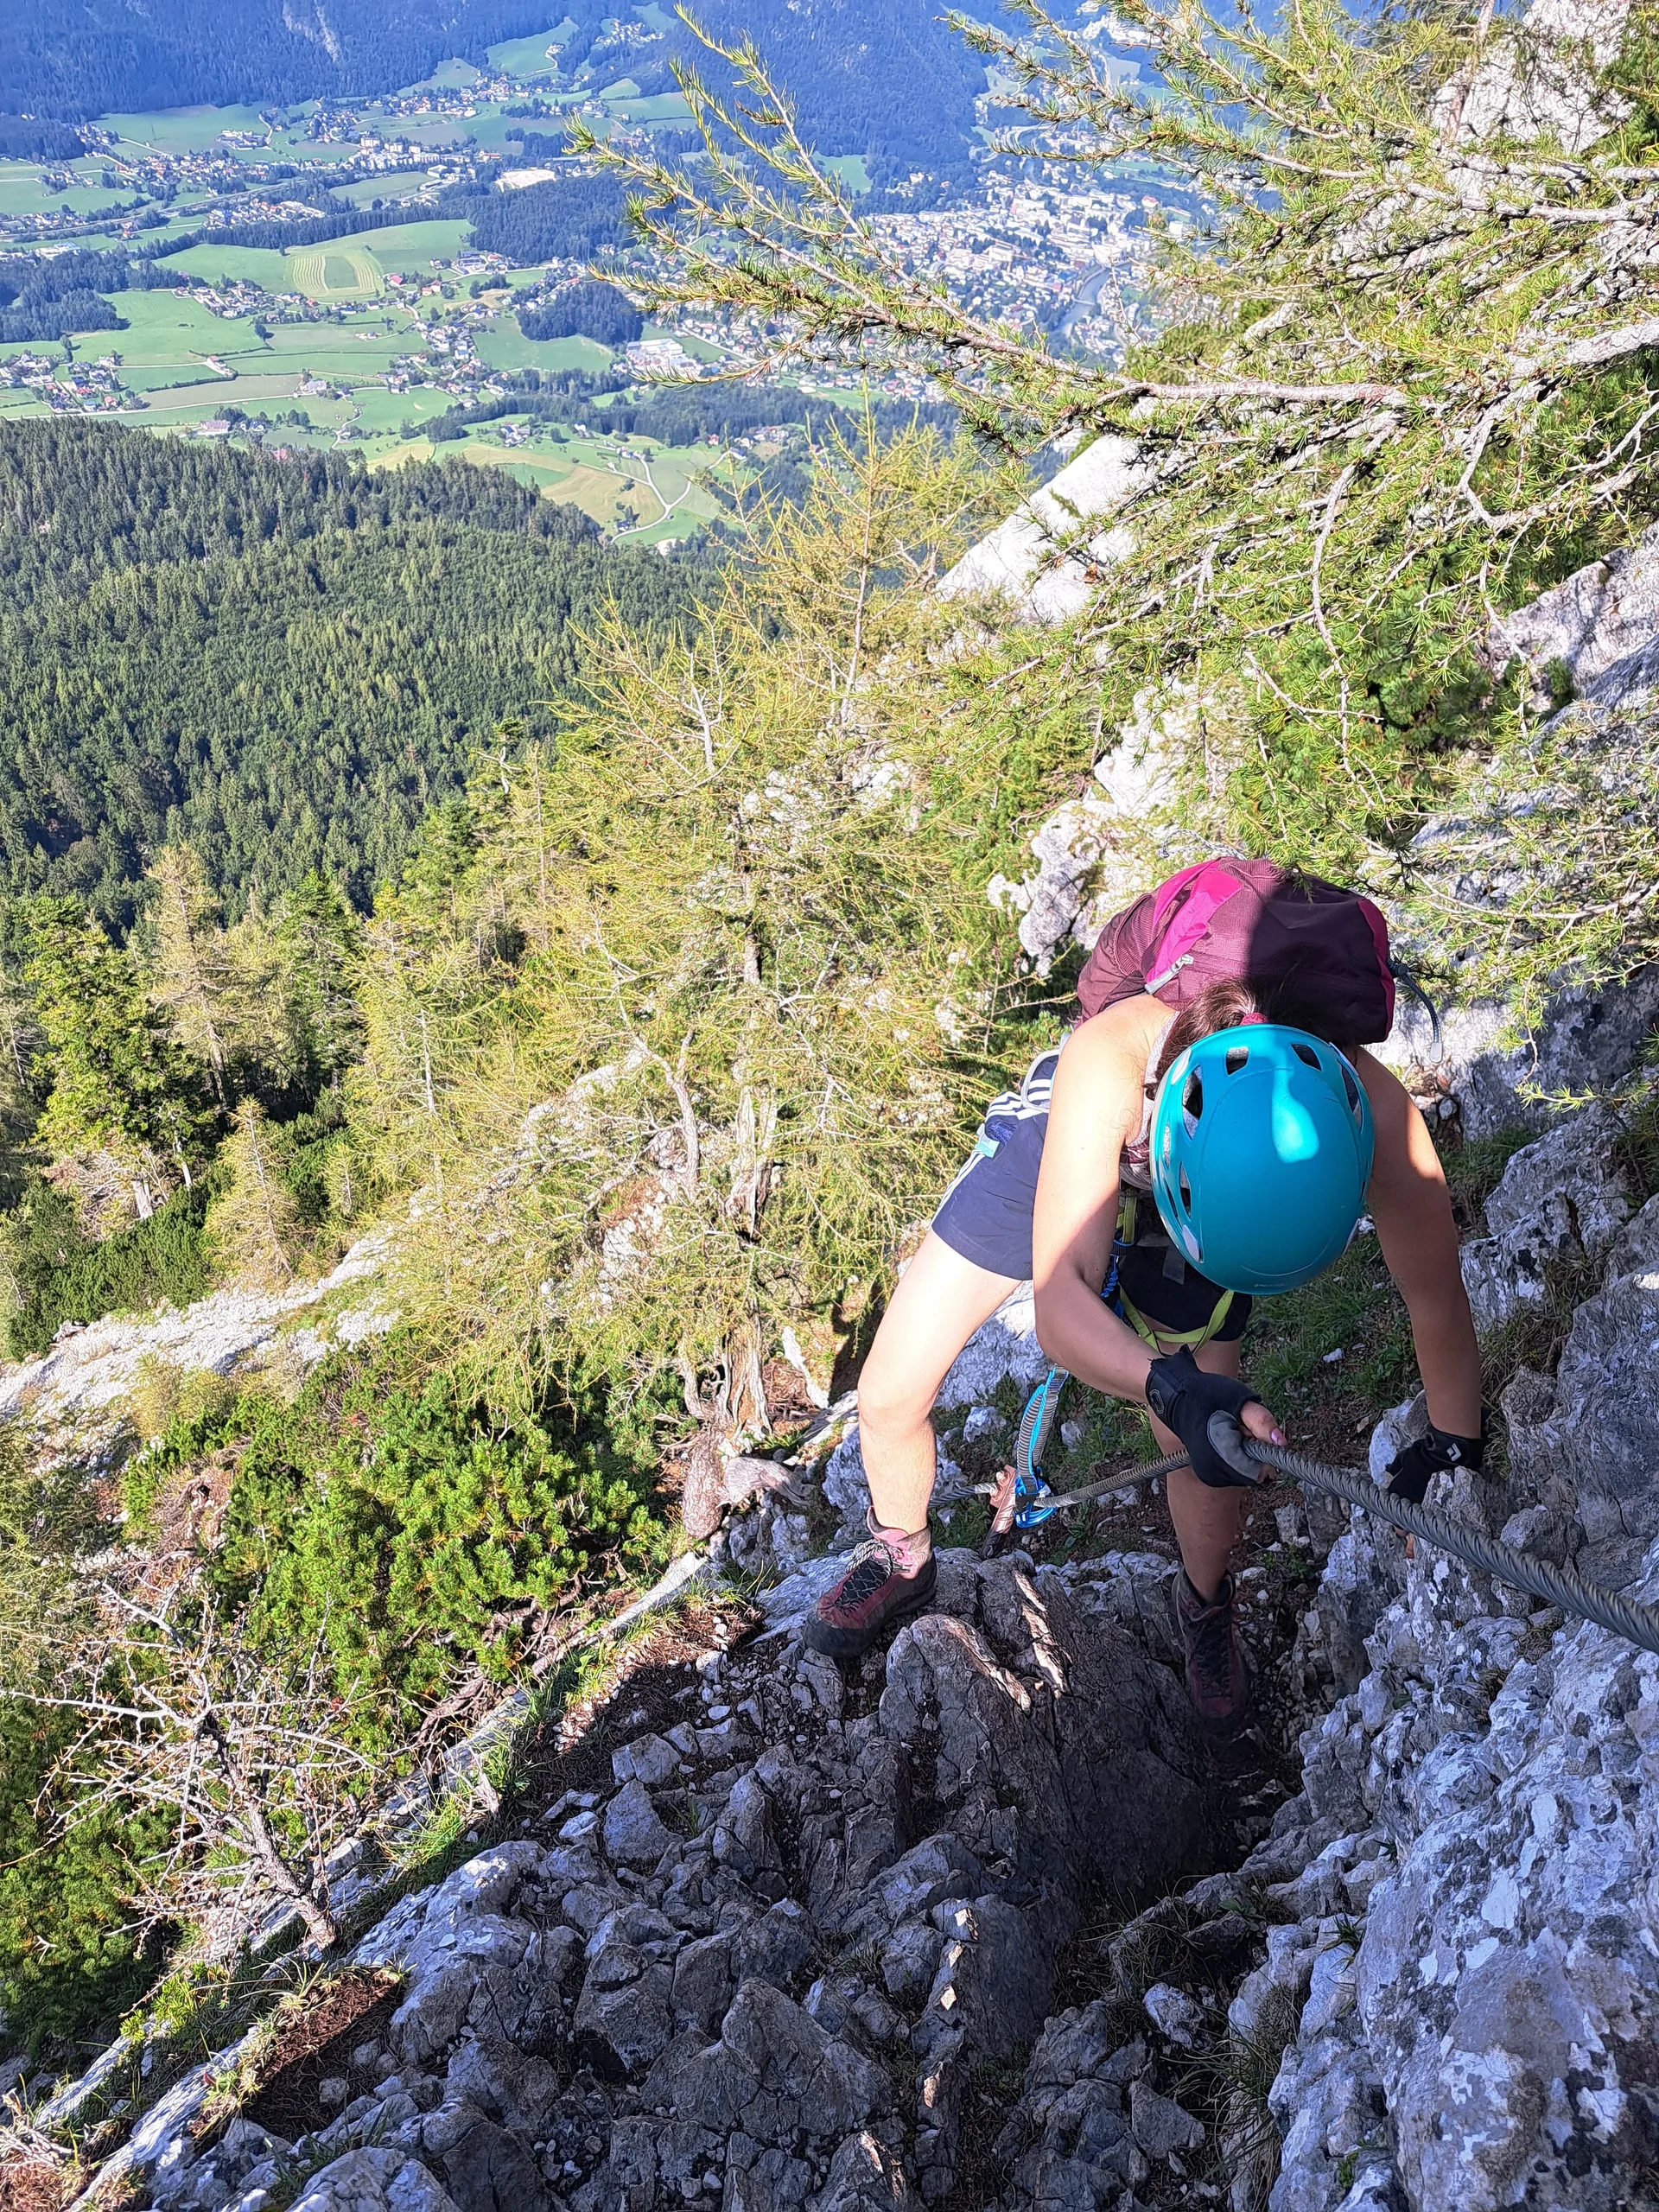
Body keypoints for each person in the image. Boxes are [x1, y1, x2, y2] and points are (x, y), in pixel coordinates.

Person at [803, 866, 1484, 1738]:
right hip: (1087, 1132)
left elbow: (1436, 1294)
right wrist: (1169, 1383)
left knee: (1209, 1446)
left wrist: (1455, 1444)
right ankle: (901, 1553)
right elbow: (1062, 1307)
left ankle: (1204, 1603)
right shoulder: (1112, 1057)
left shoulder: (1375, 1119)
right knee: (893, 1387)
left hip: (1219, 1191)